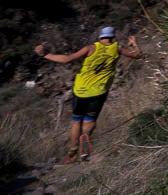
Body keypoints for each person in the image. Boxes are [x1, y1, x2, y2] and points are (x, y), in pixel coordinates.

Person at [35, 26, 143, 163]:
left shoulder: (90, 48)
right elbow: (138, 55)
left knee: (76, 122)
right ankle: (85, 140)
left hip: (81, 91)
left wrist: (45, 54)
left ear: (100, 37)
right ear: (113, 37)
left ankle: (72, 152)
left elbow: (66, 59)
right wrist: (134, 43)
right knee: (89, 121)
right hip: (99, 92)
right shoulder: (117, 49)